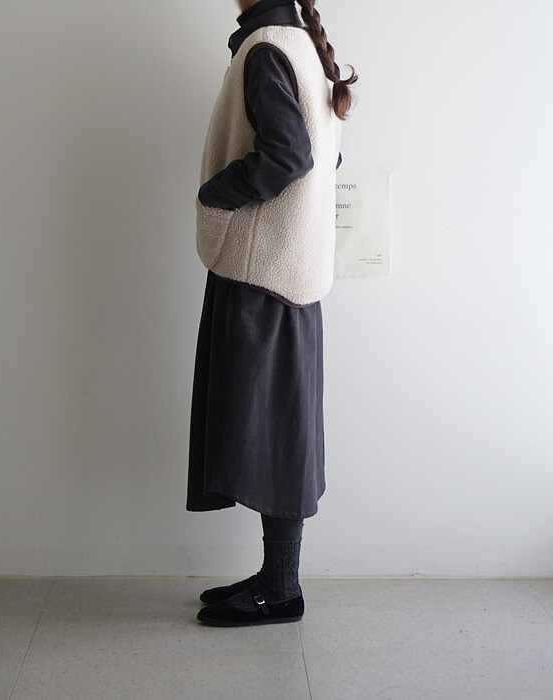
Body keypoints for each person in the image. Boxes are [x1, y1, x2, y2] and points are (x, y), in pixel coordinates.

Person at [186, 0, 358, 627]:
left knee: (272, 431)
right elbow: (325, 155)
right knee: (279, 425)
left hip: (263, 270)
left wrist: (214, 193)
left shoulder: (267, 48)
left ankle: (281, 588)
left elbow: (290, 156)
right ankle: (275, 576)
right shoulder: (301, 43)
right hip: (290, 266)